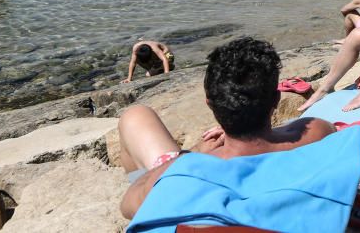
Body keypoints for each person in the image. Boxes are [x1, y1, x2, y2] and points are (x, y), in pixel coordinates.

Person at [118, 38, 335, 219]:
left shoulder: (186, 171)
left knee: (135, 115)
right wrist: (253, 127)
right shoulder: (317, 132)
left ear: (210, 104)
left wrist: (190, 153)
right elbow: (314, 129)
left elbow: (128, 206)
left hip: (182, 192)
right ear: (276, 99)